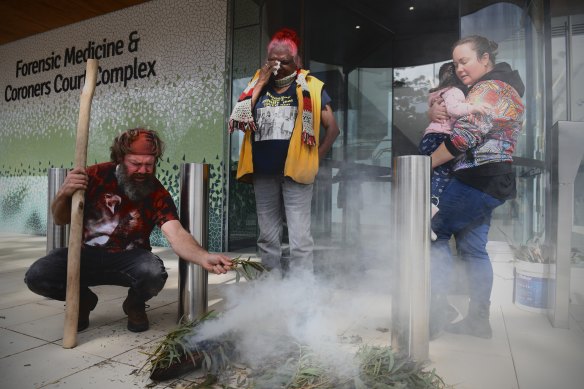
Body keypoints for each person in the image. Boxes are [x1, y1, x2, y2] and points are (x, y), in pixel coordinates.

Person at [25, 129, 233, 332]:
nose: (143, 170)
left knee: (153, 273)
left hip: (130, 259)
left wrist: (203, 256)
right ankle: (82, 301)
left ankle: (134, 304)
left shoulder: (157, 192)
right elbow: (61, 220)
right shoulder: (94, 176)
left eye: (149, 164)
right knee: (38, 275)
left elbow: (176, 234)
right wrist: (64, 193)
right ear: (120, 159)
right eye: (136, 164)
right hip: (84, 255)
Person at [427, 36, 525, 339]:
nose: (459, 69)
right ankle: (478, 321)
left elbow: (464, 138)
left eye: (464, 60)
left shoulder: (490, 88)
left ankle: (436, 311)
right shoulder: (501, 86)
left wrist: (425, 164)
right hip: (492, 180)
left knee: (435, 234)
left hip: (476, 179)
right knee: (473, 250)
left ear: (485, 59)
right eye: (455, 63)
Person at [228, 28, 340, 275]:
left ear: (298, 61)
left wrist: (315, 158)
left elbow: (332, 129)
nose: (279, 66)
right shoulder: (257, 83)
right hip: (263, 170)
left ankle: (301, 288)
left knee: (300, 237)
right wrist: (262, 79)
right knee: (267, 236)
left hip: (297, 171)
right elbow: (240, 113)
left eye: (285, 62)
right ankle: (271, 286)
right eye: (273, 61)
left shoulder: (311, 86)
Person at [419, 61, 489, 201]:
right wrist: (473, 108)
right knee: (444, 171)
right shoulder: (455, 92)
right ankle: (434, 200)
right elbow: (453, 109)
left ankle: (427, 198)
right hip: (441, 137)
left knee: (436, 172)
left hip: (429, 138)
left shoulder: (438, 93)